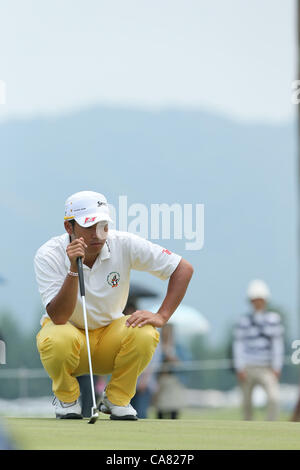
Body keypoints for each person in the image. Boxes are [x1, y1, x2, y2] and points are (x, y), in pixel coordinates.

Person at [34, 190, 193, 420]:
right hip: (70, 341)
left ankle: (117, 400)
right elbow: (58, 317)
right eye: (89, 227)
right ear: (69, 227)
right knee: (57, 337)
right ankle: (67, 398)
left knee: (145, 332)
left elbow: (182, 268)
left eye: (103, 226)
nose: (98, 235)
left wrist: (162, 316)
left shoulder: (124, 243)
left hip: (110, 338)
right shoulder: (48, 254)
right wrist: (72, 268)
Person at [232, 279, 284, 421]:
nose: (258, 303)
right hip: (248, 366)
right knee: (246, 402)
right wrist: (239, 367)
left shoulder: (274, 319)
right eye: (255, 300)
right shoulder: (243, 321)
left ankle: (271, 425)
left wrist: (277, 366)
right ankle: (248, 425)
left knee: (274, 398)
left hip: (266, 367)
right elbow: (239, 345)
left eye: (260, 299)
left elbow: (277, 345)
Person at [154, 323, 185, 419]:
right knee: (160, 409)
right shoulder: (157, 346)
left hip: (173, 381)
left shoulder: (178, 347)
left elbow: (184, 364)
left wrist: (172, 358)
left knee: (173, 409)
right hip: (160, 381)